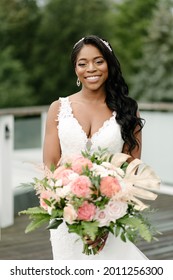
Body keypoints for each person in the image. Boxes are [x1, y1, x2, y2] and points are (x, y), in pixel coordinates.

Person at [43, 35, 147, 260]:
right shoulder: (58, 109)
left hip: (111, 216)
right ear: (75, 69)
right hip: (67, 219)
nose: (91, 68)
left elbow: (131, 173)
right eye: (83, 63)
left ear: (109, 63)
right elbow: (49, 168)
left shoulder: (128, 111)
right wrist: (71, 211)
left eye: (99, 61)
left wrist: (103, 222)